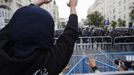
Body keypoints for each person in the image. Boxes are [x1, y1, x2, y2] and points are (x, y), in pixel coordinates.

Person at [0, 0, 78, 75]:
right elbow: (70, 34)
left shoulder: (4, 49)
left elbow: (12, 24)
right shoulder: (51, 60)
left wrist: (35, 4)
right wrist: (73, 7)